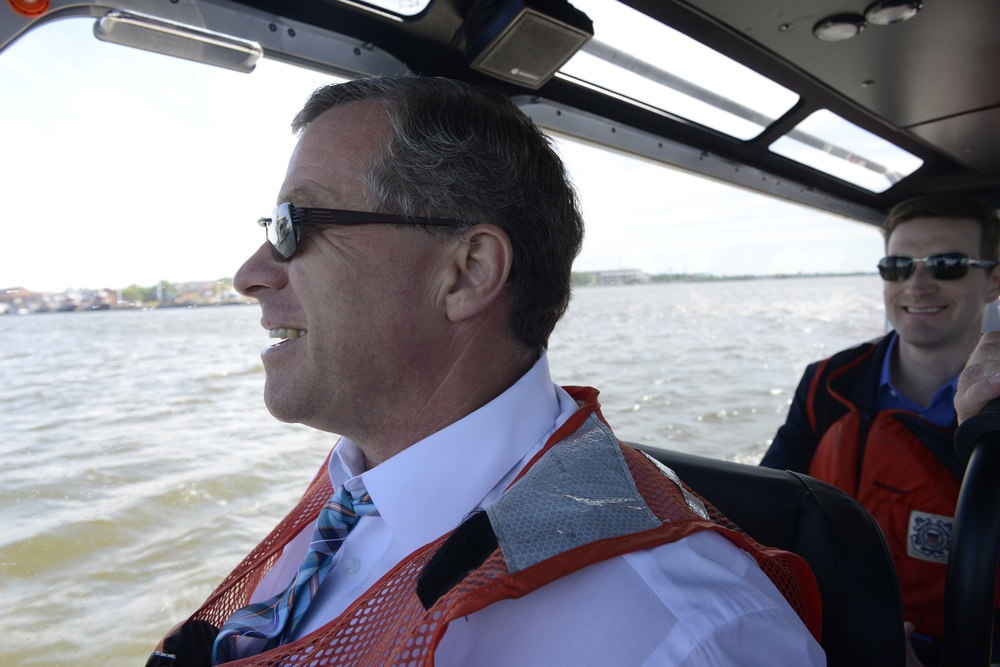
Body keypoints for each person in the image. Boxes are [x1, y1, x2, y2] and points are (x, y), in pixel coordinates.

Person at [147, 76, 824, 667]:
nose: (249, 275)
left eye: (294, 225)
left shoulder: (684, 637)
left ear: (466, 273)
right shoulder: (354, 490)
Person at [760, 194, 1000, 665]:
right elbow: (765, 510)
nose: (916, 283)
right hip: (821, 631)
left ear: (994, 280)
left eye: (946, 264)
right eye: (897, 265)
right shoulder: (826, 384)